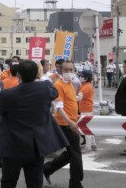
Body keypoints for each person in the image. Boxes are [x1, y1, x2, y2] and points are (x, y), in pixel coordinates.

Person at [0, 60, 69, 188]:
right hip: (35, 146)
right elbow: (54, 91)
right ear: (37, 74)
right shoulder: (44, 89)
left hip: (13, 146)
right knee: (35, 183)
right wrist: (41, 75)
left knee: (8, 182)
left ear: (18, 75)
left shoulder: (8, 94)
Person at [43, 60, 84, 188]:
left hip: (70, 122)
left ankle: (47, 168)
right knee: (76, 154)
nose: (69, 72)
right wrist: (71, 123)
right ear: (60, 70)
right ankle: (75, 183)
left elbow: (69, 101)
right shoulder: (59, 85)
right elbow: (59, 108)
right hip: (65, 124)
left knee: (71, 153)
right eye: (66, 69)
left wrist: (77, 99)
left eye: (71, 70)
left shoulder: (70, 84)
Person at [77, 70, 97, 152]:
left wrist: (69, 96)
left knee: (86, 128)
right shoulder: (88, 85)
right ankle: (93, 144)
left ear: (86, 78)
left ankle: (88, 147)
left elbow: (79, 98)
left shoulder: (85, 87)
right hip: (88, 108)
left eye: (81, 76)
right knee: (90, 127)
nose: (80, 77)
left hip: (85, 109)